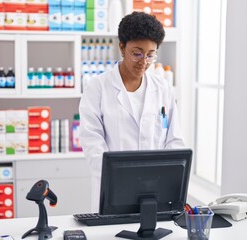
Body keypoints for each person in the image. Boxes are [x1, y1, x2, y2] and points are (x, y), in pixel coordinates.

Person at [79, 11, 185, 212]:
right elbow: (92, 141)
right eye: (137, 53)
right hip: (114, 189)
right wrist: (119, 177)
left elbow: (174, 140)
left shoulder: (163, 89)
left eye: (150, 55)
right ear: (122, 47)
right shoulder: (97, 88)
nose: (144, 61)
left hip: (156, 190)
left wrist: (167, 178)